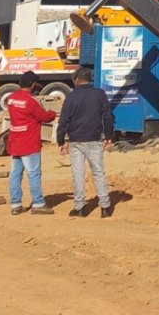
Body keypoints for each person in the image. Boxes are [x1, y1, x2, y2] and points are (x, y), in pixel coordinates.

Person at [56, 66, 116, 218]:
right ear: (90, 79)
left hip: (76, 140)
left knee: (78, 173)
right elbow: (107, 117)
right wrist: (108, 136)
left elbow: (64, 120)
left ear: (76, 80)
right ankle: (105, 206)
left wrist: (60, 140)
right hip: (94, 139)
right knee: (98, 173)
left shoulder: (71, 96)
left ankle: (80, 207)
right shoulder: (99, 94)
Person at [6, 70, 56, 215]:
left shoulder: (10, 98)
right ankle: (38, 203)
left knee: (15, 173)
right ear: (33, 84)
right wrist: (52, 113)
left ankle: (16, 204)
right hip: (29, 142)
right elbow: (44, 117)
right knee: (33, 173)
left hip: (15, 141)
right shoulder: (30, 101)